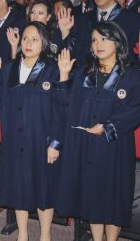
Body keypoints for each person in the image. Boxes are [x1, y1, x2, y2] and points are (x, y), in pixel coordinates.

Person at [56, 21, 140, 241]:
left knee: (112, 198)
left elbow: (135, 110)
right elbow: (65, 103)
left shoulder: (131, 75)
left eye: (104, 38)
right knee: (92, 196)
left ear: (117, 41)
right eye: (94, 40)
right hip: (86, 146)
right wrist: (64, 74)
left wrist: (108, 126)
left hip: (115, 146)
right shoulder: (84, 72)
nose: (98, 44)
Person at [0, 21, 62, 241]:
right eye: (25, 38)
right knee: (18, 186)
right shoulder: (9, 67)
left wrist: (55, 143)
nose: (28, 43)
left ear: (44, 43)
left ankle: (45, 235)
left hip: (40, 139)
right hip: (14, 139)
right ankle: (23, 234)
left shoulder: (53, 70)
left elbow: (60, 110)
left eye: (35, 39)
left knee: (43, 188)